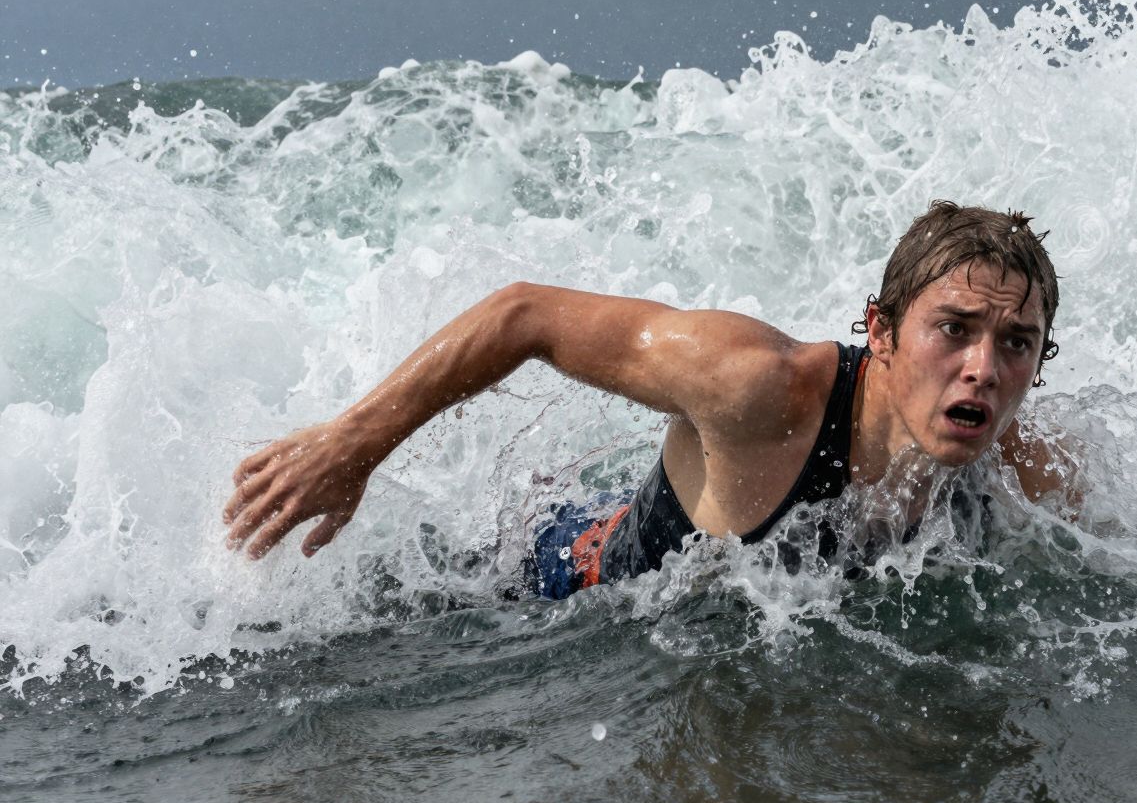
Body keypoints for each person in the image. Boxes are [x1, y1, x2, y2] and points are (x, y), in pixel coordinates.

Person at [222, 199, 1070, 595]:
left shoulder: (1023, 469)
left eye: (1016, 343)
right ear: (879, 331)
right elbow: (525, 314)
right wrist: (352, 443)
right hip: (558, 581)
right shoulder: (756, 384)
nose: (984, 368)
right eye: (952, 328)